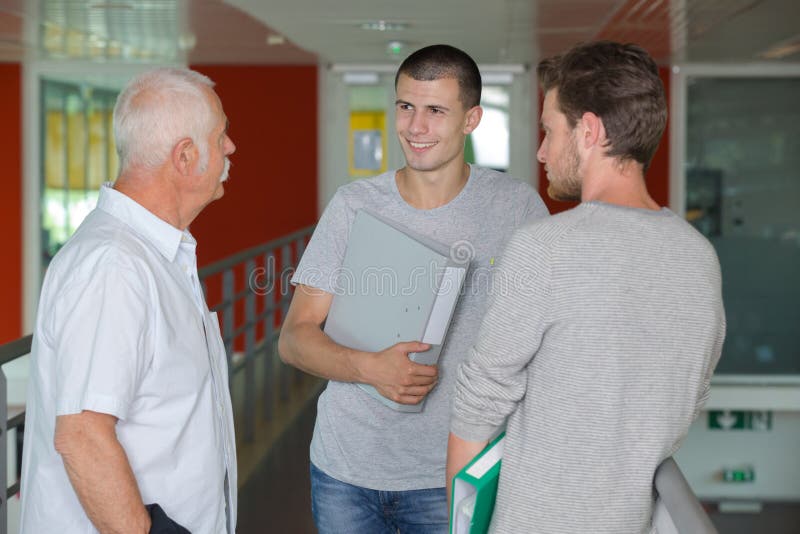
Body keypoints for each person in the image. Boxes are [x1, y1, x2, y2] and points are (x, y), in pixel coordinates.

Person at [447, 40, 726, 533]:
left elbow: (477, 410)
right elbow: (688, 398)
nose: (541, 150)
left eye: (550, 130)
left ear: (589, 131)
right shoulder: (699, 257)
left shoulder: (544, 248)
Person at [278, 44, 548, 533]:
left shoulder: (516, 210)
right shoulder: (354, 205)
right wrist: (370, 369)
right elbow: (295, 338)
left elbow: (546, 343)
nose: (415, 127)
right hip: (346, 472)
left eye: (436, 111)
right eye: (405, 107)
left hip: (453, 475)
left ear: (472, 119)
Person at [19, 67, 238, 534]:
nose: (230, 148)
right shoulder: (114, 267)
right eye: (221, 136)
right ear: (185, 156)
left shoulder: (153, 254)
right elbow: (82, 436)